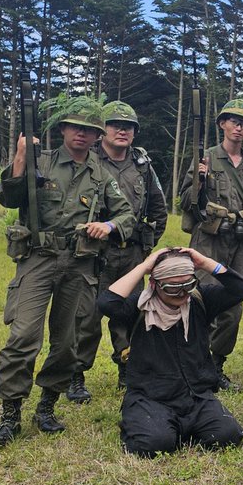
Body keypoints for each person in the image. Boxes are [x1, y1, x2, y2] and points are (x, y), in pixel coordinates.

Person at [0, 98, 135, 448]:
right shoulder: (44, 162)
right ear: (64, 130)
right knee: (23, 337)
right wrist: (22, 156)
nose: (82, 134)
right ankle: (10, 416)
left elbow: (127, 213)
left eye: (90, 130)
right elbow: (7, 197)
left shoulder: (102, 174)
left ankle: (47, 406)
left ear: (98, 136)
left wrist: (109, 225)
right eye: (76, 127)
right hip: (38, 259)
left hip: (79, 265)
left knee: (68, 343)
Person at [98, 247, 243, 456]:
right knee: (153, 445)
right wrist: (144, 267)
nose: (182, 293)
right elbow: (106, 303)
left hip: (196, 396)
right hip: (151, 397)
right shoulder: (140, 306)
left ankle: (176, 427)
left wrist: (205, 262)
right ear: (155, 284)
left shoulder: (199, 299)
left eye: (188, 284)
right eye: (172, 287)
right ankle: (153, 424)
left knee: (227, 435)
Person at [70, 100, 167, 402]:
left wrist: (146, 245)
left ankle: (128, 369)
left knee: (131, 314)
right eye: (115, 125)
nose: (122, 131)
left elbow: (158, 208)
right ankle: (76, 375)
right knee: (88, 315)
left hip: (132, 254)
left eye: (129, 127)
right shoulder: (89, 160)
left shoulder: (142, 164)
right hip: (97, 253)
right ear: (103, 130)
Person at [178, 98, 243, 390]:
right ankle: (194, 363)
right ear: (222, 124)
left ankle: (216, 364)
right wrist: (199, 182)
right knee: (201, 302)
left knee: (233, 308)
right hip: (208, 242)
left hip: (238, 246)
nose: (239, 127)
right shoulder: (204, 158)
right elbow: (183, 202)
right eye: (234, 121)